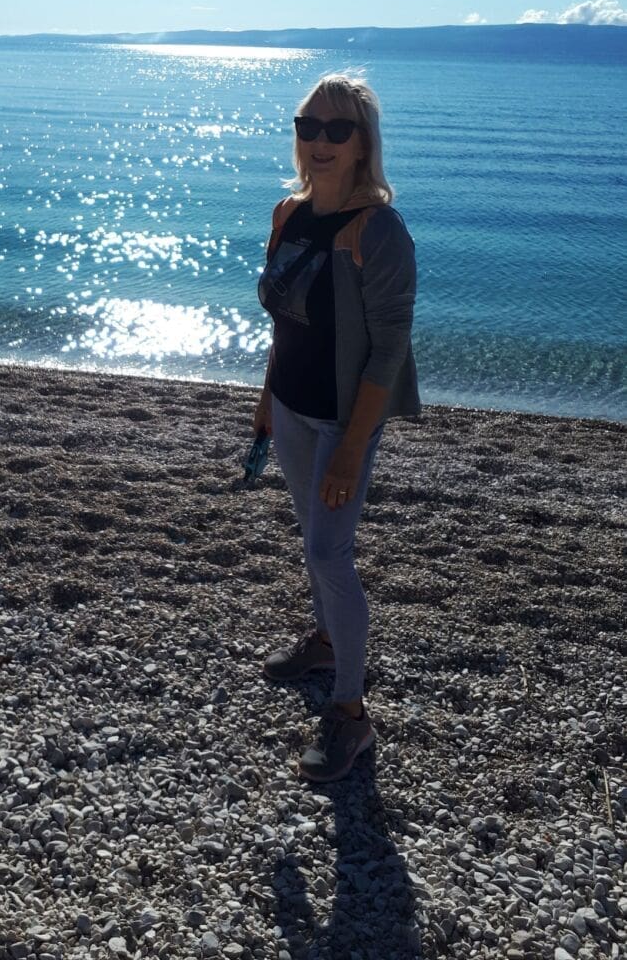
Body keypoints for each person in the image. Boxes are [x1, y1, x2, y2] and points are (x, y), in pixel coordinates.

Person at [254, 72, 419, 783]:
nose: (320, 141)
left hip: (341, 420)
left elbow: (389, 350)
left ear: (361, 144)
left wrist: (352, 449)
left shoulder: (377, 231)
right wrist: (266, 398)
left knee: (329, 552)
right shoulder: (288, 213)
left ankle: (351, 713)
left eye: (337, 129)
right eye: (308, 126)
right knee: (311, 537)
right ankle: (325, 643)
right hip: (291, 407)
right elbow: (285, 318)